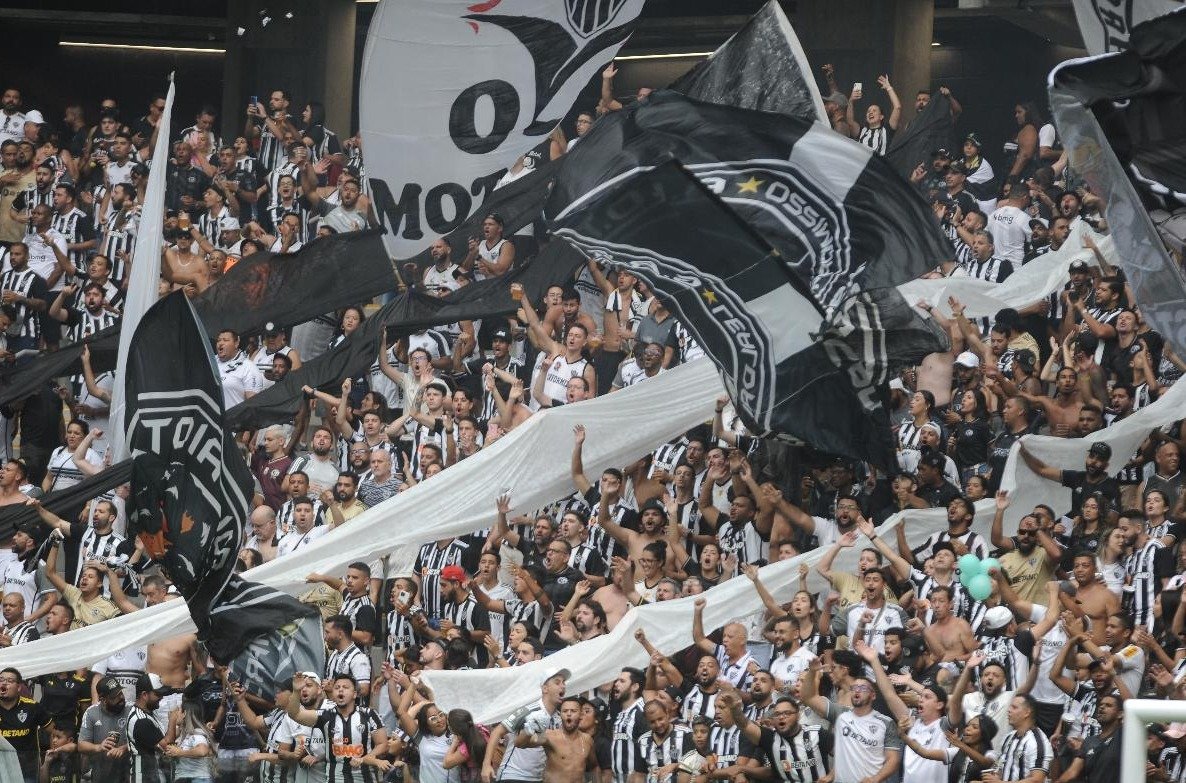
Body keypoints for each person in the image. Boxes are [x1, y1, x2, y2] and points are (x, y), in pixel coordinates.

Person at [799, 656, 901, 783]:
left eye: (863, 688)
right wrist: (812, 672)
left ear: (873, 695)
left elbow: (893, 760)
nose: (857, 691)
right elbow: (809, 698)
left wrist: (876, 779)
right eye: (854, 688)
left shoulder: (886, 722)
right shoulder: (841, 715)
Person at [285, 673, 391, 782]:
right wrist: (296, 691)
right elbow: (295, 714)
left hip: (365, 778)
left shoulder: (369, 714)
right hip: (335, 779)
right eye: (337, 687)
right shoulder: (325, 715)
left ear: (354, 694)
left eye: (345, 687)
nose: (340, 690)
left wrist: (366, 758)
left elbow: (383, 744)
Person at [514, 696, 596, 783]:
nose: (568, 714)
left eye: (573, 711)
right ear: (560, 715)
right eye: (565, 711)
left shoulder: (587, 740)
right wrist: (529, 729)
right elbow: (519, 744)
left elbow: (594, 766)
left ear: (580, 715)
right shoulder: (550, 736)